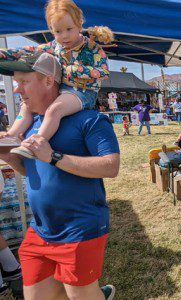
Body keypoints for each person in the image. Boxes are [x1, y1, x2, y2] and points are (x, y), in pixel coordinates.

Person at [0, 51, 118, 299]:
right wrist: (11, 157)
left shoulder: (90, 119)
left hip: (79, 228)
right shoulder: (32, 125)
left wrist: (54, 156)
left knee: (79, 295)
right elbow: (32, 171)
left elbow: (110, 167)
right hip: (40, 230)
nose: (17, 89)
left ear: (47, 81)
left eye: (23, 82)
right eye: (15, 83)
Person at [0, 1, 113, 160]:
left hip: (82, 92)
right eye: (58, 31)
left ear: (79, 24)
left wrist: (76, 70)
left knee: (55, 110)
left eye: (69, 29)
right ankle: (10, 137)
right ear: (52, 31)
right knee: (26, 106)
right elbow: (31, 50)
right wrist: (5, 54)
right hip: (63, 88)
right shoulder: (55, 46)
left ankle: (38, 141)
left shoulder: (92, 47)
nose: (64, 35)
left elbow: (104, 72)